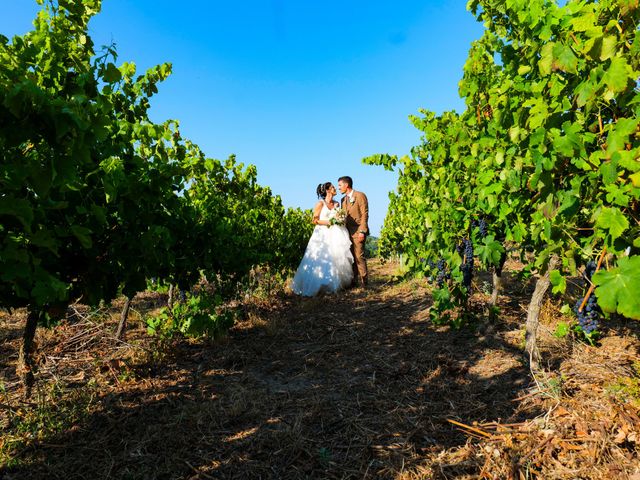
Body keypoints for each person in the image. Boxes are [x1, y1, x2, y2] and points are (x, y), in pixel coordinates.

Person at [291, 182, 354, 296]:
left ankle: (335, 284)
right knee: (320, 258)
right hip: (322, 234)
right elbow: (314, 220)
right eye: (333, 187)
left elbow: (339, 217)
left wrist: (340, 219)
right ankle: (318, 284)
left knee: (336, 257)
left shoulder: (337, 204)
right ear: (327, 190)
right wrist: (329, 222)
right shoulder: (320, 203)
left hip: (336, 233)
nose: (335, 189)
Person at [337, 176, 369, 288]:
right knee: (351, 258)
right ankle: (354, 282)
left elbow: (365, 214)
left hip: (358, 231)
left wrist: (362, 231)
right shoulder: (342, 200)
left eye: (340, 185)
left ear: (346, 185)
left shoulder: (360, 196)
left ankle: (365, 282)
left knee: (359, 256)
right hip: (346, 233)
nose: (338, 188)